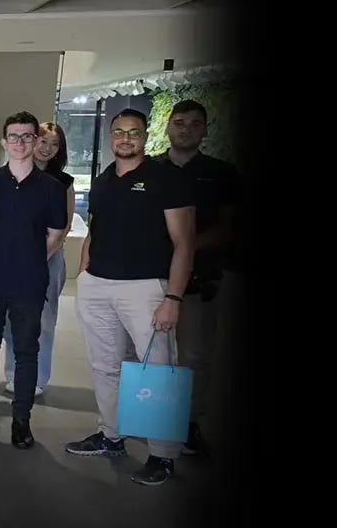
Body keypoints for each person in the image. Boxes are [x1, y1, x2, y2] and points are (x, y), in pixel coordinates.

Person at [65, 108, 196, 487]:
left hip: (146, 288)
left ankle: (163, 454)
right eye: (119, 132)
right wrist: (87, 273)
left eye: (133, 132)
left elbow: (184, 242)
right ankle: (111, 435)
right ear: (111, 137)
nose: (125, 139)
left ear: (144, 136)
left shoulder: (165, 178)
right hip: (98, 285)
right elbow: (96, 229)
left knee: (157, 370)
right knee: (106, 366)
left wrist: (173, 296)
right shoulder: (105, 179)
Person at [0, 112, 67, 448]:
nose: (20, 142)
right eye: (14, 136)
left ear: (36, 141)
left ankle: (22, 419)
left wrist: (27, 258)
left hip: (29, 280)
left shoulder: (51, 188)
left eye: (27, 136)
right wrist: (2, 254)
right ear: (4, 142)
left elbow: (55, 235)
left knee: (26, 351)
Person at [151, 99, 242, 456]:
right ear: (168, 127)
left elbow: (228, 228)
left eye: (193, 124)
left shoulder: (222, 173)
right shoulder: (150, 167)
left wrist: (183, 250)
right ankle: (147, 419)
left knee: (193, 357)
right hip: (152, 280)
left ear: (204, 130)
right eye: (179, 122)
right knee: (150, 355)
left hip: (200, 282)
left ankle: (188, 425)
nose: (185, 129)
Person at [3, 120, 73, 396]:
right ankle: (13, 373)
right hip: (12, 258)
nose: (47, 148)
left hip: (48, 258)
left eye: (54, 144)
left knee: (43, 320)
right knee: (11, 320)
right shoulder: (11, 176)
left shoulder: (63, 182)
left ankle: (37, 378)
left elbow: (63, 227)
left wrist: (38, 257)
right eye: (43, 141)